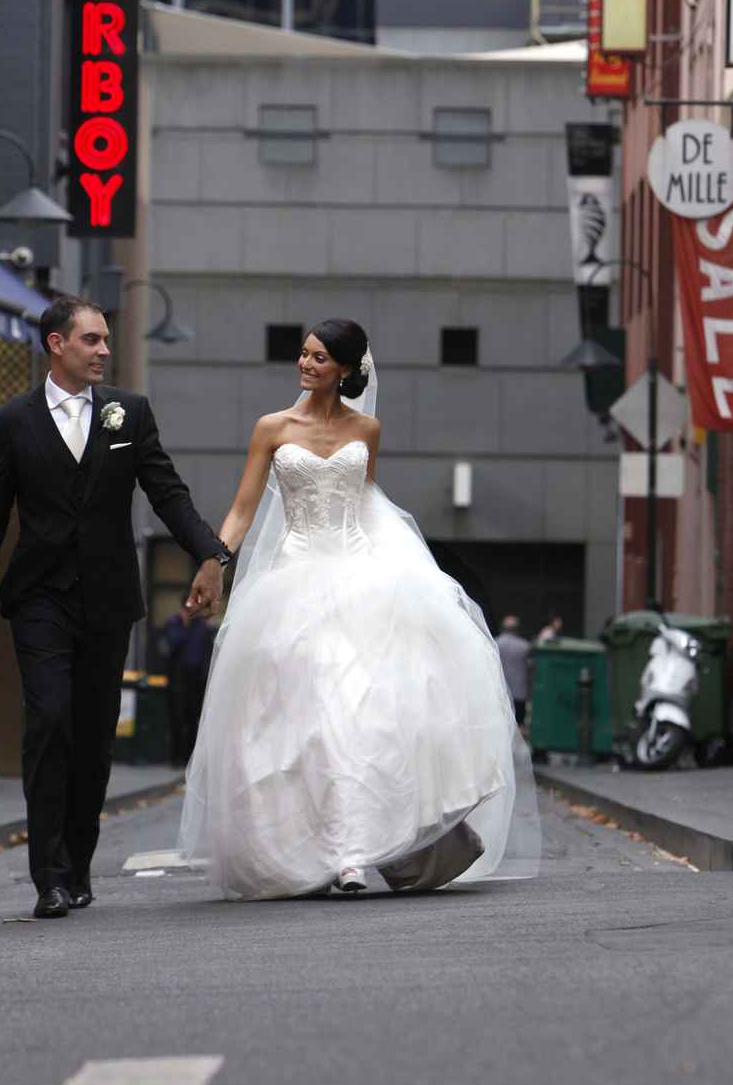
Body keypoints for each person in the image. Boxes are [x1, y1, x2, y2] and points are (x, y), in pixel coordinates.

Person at [178, 319, 539, 899]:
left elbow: (367, 501)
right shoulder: (272, 428)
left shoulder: (367, 429)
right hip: (292, 580)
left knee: (360, 709)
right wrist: (216, 561)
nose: (306, 364)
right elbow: (245, 508)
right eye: (303, 354)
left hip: (359, 573)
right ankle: (310, 850)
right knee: (300, 716)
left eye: (319, 357)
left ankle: (354, 853)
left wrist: (405, 576)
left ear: (346, 369)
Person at [0, 296, 230, 920]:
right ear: (57, 344)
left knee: (92, 739)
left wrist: (210, 553)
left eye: (106, 340)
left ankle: (77, 863)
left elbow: (167, 491)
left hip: (108, 600)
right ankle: (47, 876)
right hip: (39, 600)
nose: (105, 349)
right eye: (92, 340)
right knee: (48, 720)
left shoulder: (127, 413)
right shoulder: (13, 420)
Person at [163, 606, 214, 766]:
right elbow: (173, 644)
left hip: (196, 679)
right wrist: (184, 626)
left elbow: (206, 651)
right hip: (178, 679)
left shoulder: (201, 625)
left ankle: (188, 757)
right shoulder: (174, 623)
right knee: (177, 719)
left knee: (193, 720)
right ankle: (175, 757)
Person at [495, 615, 531, 732]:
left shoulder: (495, 644)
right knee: (519, 725)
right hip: (519, 693)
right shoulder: (525, 646)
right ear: (517, 629)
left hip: (500, 691)